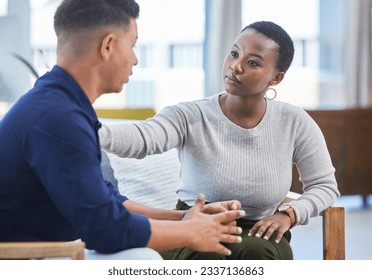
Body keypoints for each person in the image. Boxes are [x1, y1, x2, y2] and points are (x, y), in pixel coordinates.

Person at [0, 0, 247, 260]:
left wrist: (184, 218)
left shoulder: (60, 104)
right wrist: (192, 232)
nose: (135, 59)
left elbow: (109, 202)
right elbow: (105, 230)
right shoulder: (57, 117)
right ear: (107, 46)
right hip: (18, 259)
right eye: (132, 45)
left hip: (43, 251)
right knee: (141, 260)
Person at [99, 21, 340, 260]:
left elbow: (325, 185)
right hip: (194, 222)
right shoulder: (190, 115)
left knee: (259, 252)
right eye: (234, 53)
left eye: (252, 62)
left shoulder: (295, 121)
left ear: (275, 78)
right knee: (207, 255)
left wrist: (290, 214)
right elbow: (145, 137)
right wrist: (92, 131)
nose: (235, 66)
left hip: (259, 230)